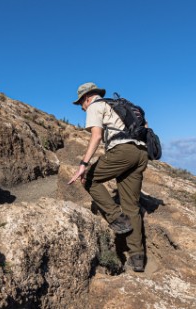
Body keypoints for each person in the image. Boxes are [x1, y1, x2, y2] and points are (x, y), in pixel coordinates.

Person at [68, 82, 148, 272]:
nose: (82, 108)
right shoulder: (119, 105)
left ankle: (116, 218)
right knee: (131, 206)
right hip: (141, 153)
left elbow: (96, 136)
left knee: (88, 178)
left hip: (122, 151)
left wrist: (83, 165)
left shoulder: (95, 106)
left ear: (86, 98)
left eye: (81, 104)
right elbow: (144, 126)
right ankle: (137, 258)